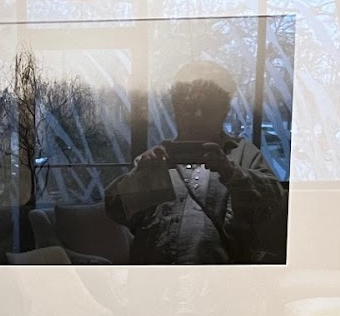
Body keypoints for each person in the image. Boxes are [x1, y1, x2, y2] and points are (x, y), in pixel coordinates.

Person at [103, 61, 286, 264]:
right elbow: (116, 213)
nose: (198, 115)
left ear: (224, 110)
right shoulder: (155, 159)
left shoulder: (243, 154)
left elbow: (276, 206)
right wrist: (140, 177)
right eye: (189, 107)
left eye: (208, 108)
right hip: (156, 277)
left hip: (222, 276)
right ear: (176, 109)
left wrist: (230, 172)